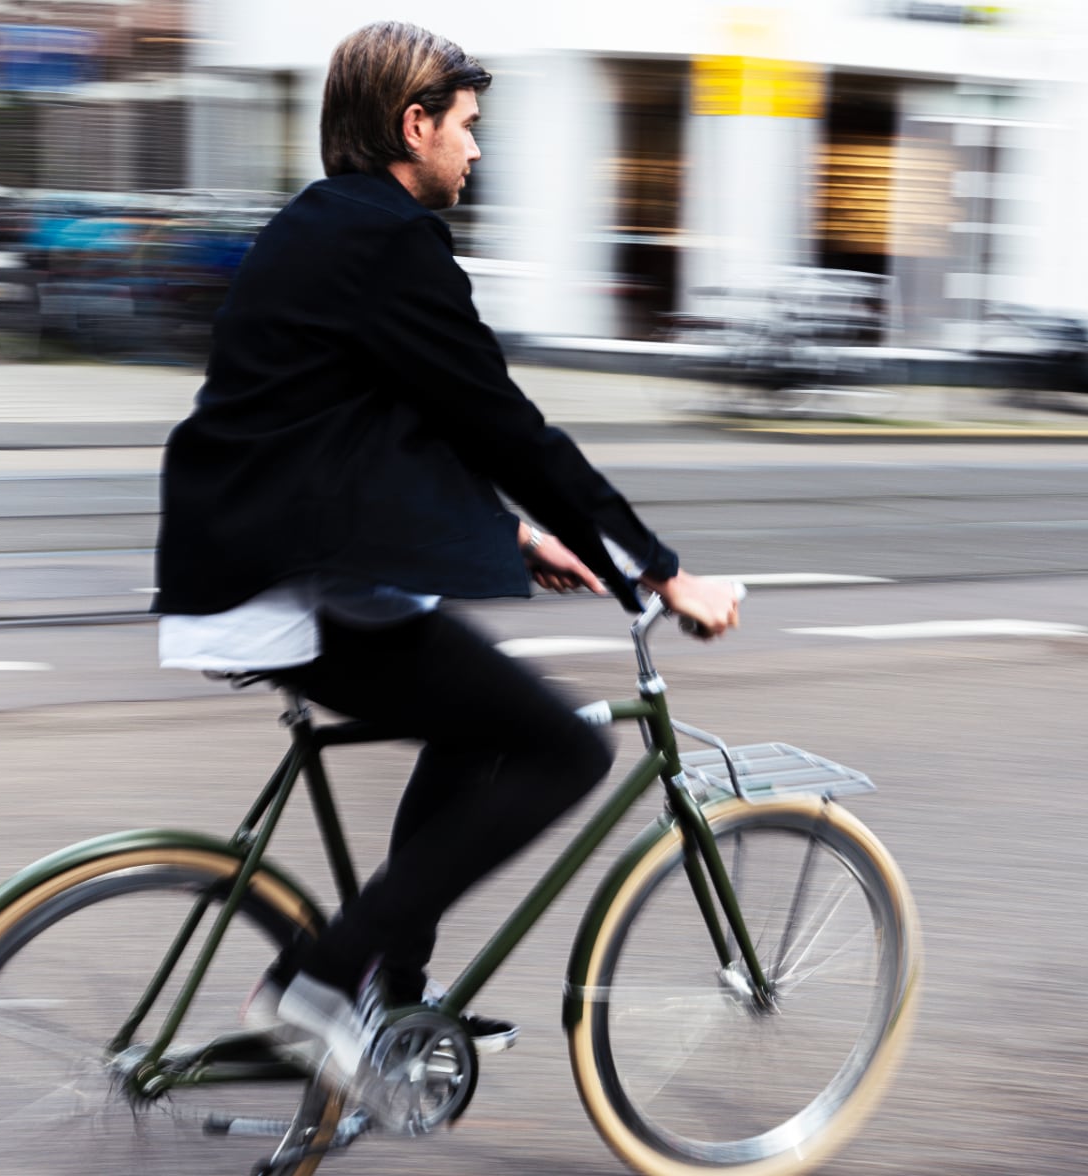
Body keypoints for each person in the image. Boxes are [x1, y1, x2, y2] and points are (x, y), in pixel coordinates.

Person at [151, 20, 742, 1093]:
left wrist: (517, 536)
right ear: (410, 124)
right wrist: (657, 573)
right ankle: (321, 983)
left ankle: (391, 991)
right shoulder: (386, 238)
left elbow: (370, 421)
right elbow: (500, 423)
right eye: (466, 128)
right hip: (281, 582)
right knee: (567, 750)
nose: (477, 152)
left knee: (478, 730)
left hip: (257, 557)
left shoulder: (329, 226)